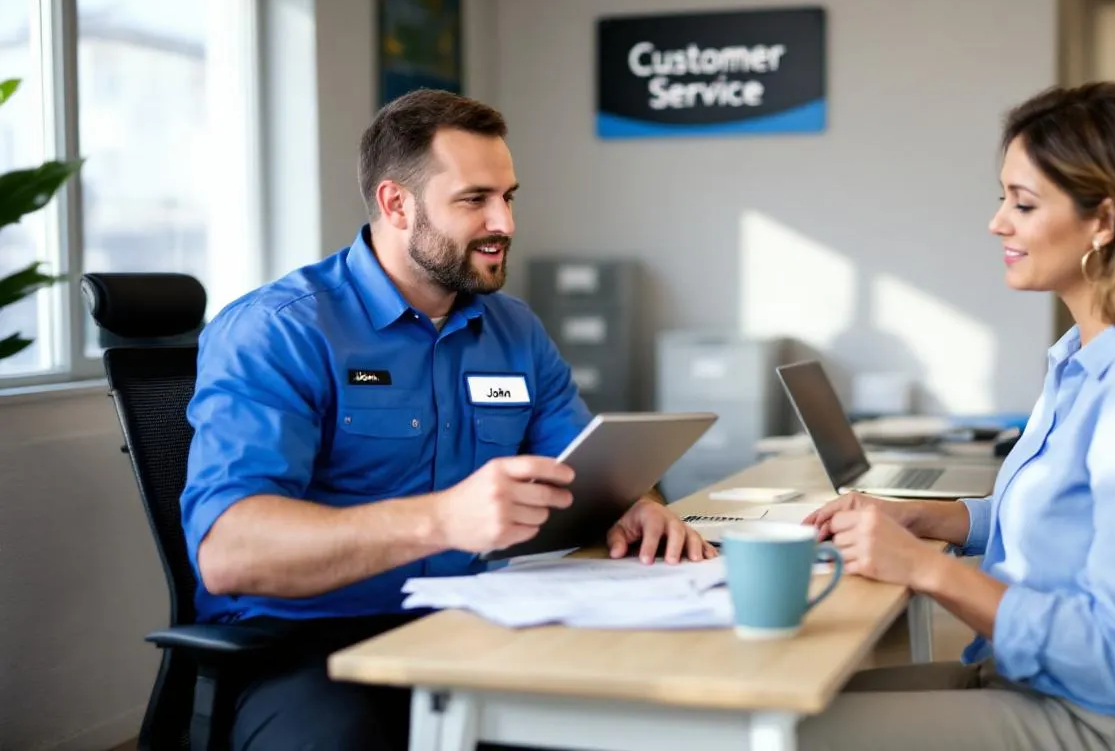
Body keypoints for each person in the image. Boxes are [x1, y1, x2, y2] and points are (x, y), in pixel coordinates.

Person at [179, 89, 714, 750]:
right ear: (396, 204)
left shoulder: (514, 329)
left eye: (509, 196)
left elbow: (585, 465)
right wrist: (442, 519)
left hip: (479, 618)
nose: (506, 223)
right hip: (308, 643)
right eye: (474, 199)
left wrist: (637, 504)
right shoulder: (278, 331)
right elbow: (230, 554)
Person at [797, 81, 1115, 750]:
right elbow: (1068, 513)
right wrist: (931, 518)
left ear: (1106, 219)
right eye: (1003, 196)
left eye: (1023, 202)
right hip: (1034, 683)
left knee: (766, 735)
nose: (997, 222)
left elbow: (1114, 653)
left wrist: (925, 568)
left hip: (1108, 723)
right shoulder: (1091, 355)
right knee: (772, 708)